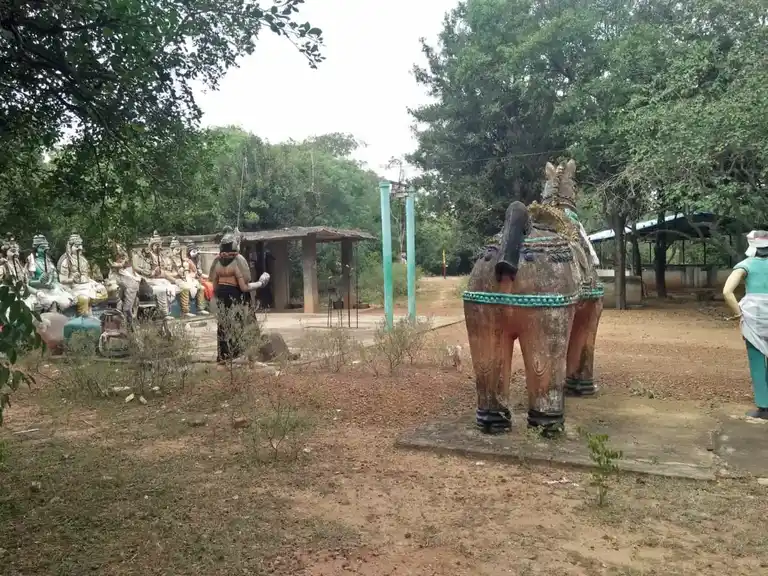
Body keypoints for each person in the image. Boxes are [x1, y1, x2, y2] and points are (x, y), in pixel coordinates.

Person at [722, 230, 768, 420]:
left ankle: (764, 407)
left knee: (757, 360)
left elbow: (727, 292)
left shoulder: (745, 265)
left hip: (754, 317)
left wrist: (738, 313)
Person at [209, 232, 270, 362]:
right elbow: (244, 286)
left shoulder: (216, 261)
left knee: (224, 326)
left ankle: (225, 356)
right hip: (236, 297)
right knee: (242, 325)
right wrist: (261, 283)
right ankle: (245, 355)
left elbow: (214, 286)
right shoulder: (239, 260)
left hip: (222, 298)